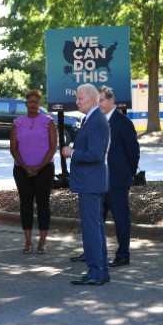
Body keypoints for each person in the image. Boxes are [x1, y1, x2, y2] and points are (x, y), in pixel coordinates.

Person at [62, 83, 110, 286]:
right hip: (90, 182)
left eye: (80, 99)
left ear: (92, 99)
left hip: (90, 183)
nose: (76, 102)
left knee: (91, 229)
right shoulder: (90, 119)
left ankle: (96, 273)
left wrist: (71, 152)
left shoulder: (96, 120)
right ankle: (100, 271)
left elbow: (95, 154)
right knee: (95, 228)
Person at [9, 90, 57, 254]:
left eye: (36, 101)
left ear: (39, 103)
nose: (33, 104)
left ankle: (42, 241)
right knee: (25, 204)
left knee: (43, 204)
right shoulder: (17, 122)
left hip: (44, 169)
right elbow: (13, 148)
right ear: (26, 103)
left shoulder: (48, 121)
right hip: (22, 170)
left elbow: (53, 147)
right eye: (30, 101)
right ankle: (28, 241)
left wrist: (39, 166)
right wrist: (25, 167)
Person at [98, 86, 140, 267]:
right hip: (98, 181)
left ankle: (123, 255)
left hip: (117, 182)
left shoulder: (123, 122)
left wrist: (129, 174)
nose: (98, 104)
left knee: (121, 219)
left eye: (102, 100)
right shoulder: (95, 121)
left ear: (111, 101)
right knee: (95, 219)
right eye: (96, 100)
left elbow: (133, 152)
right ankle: (94, 252)